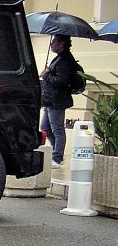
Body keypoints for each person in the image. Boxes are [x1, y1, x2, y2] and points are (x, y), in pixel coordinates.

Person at [40, 33, 84, 166]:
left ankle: (57, 157)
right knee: (45, 128)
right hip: (50, 100)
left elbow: (61, 81)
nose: (51, 44)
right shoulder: (59, 58)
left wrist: (46, 75)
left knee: (57, 129)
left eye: (54, 41)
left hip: (56, 101)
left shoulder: (65, 60)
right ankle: (57, 152)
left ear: (62, 44)